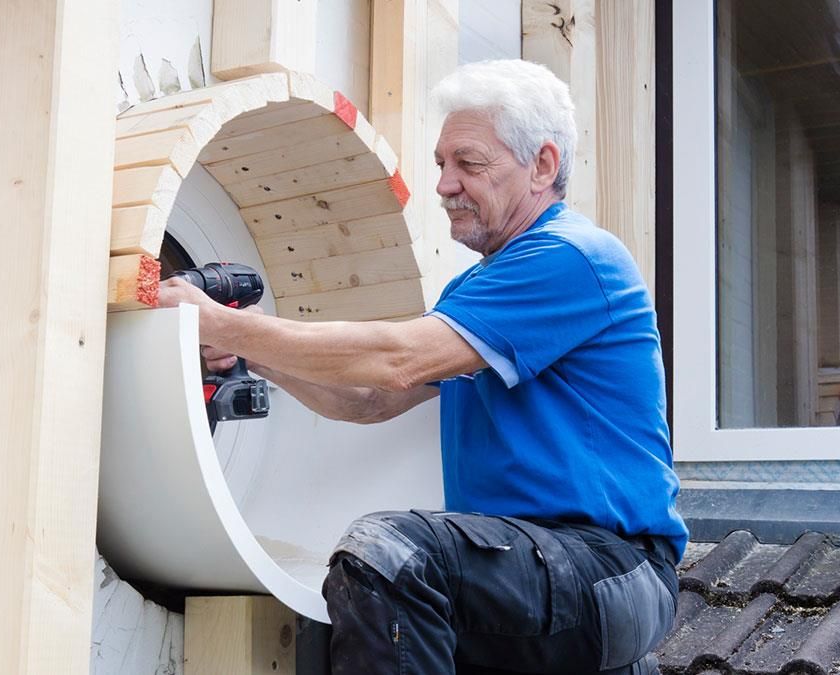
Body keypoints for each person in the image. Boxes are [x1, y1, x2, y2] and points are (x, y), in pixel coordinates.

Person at [157, 59, 685, 674]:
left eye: (469, 163)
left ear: (542, 165)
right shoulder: (479, 289)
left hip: (610, 568)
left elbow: (397, 360)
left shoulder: (571, 257)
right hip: (536, 573)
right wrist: (252, 354)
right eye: (440, 164)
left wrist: (220, 323)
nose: (445, 185)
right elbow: (367, 400)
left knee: (390, 554)